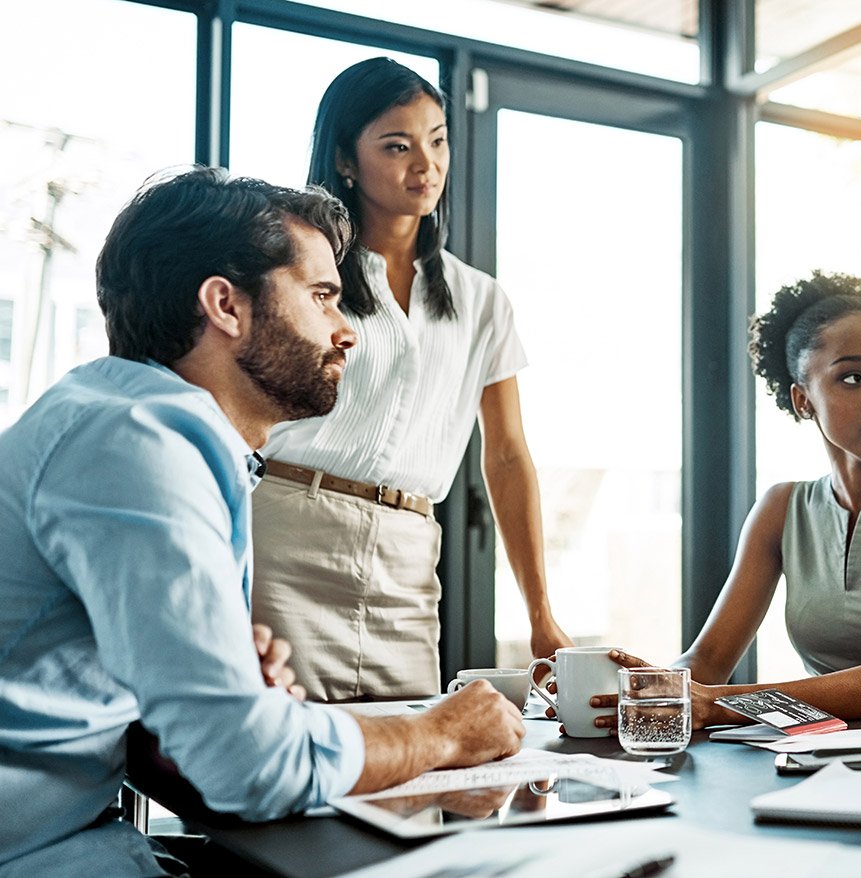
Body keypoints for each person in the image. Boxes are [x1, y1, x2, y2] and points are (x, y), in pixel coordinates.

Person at [0, 168, 525, 875]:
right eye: (322, 298)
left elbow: (179, 746)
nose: (347, 334)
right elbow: (247, 766)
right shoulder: (137, 446)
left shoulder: (127, 424)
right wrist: (442, 735)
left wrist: (220, 696)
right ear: (226, 305)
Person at [251, 58, 570, 701]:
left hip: (408, 554)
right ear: (345, 159)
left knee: (414, 774)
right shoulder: (302, 276)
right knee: (294, 765)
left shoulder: (481, 300)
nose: (425, 166)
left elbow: (506, 457)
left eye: (437, 139)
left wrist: (540, 614)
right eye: (397, 146)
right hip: (287, 538)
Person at [584, 271, 861, 732]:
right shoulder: (782, 508)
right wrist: (627, 696)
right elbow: (706, 661)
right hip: (826, 762)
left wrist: (718, 704)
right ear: (803, 400)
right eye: (853, 377)